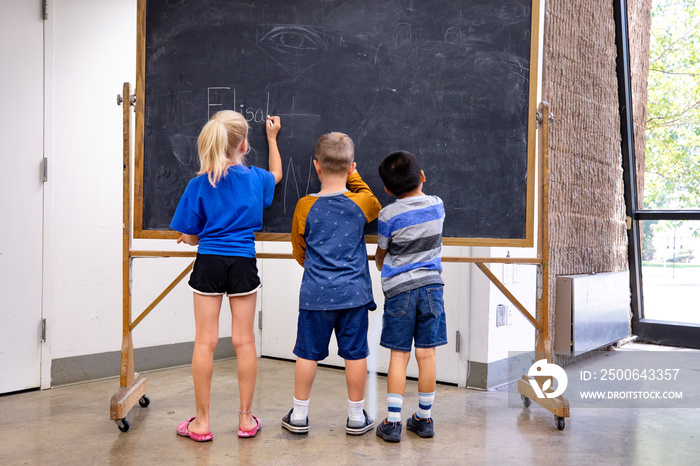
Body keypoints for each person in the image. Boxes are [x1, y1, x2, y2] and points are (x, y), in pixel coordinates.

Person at [170, 110, 283, 441]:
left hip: (209, 263)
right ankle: (246, 420)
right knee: (244, 340)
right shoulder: (256, 178)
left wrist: (189, 237)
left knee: (205, 341)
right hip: (243, 263)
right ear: (244, 145)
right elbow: (276, 174)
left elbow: (190, 235)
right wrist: (273, 139)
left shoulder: (198, 184)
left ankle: (202, 423)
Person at [281, 132, 381, 436]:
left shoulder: (303, 205)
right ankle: (355, 417)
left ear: (316, 166)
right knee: (355, 353)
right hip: (353, 294)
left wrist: (314, 269)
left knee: (307, 353)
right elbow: (374, 200)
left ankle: (299, 416)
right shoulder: (361, 203)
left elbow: (299, 250)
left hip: (315, 295)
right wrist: (354, 174)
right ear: (351, 167)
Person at [373, 150, 447, 442]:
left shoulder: (388, 214)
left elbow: (382, 251)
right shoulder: (438, 206)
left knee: (399, 355)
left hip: (400, 292)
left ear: (388, 189)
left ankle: (393, 424)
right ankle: (424, 419)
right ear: (423, 177)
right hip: (431, 288)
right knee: (427, 354)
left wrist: (381, 263)